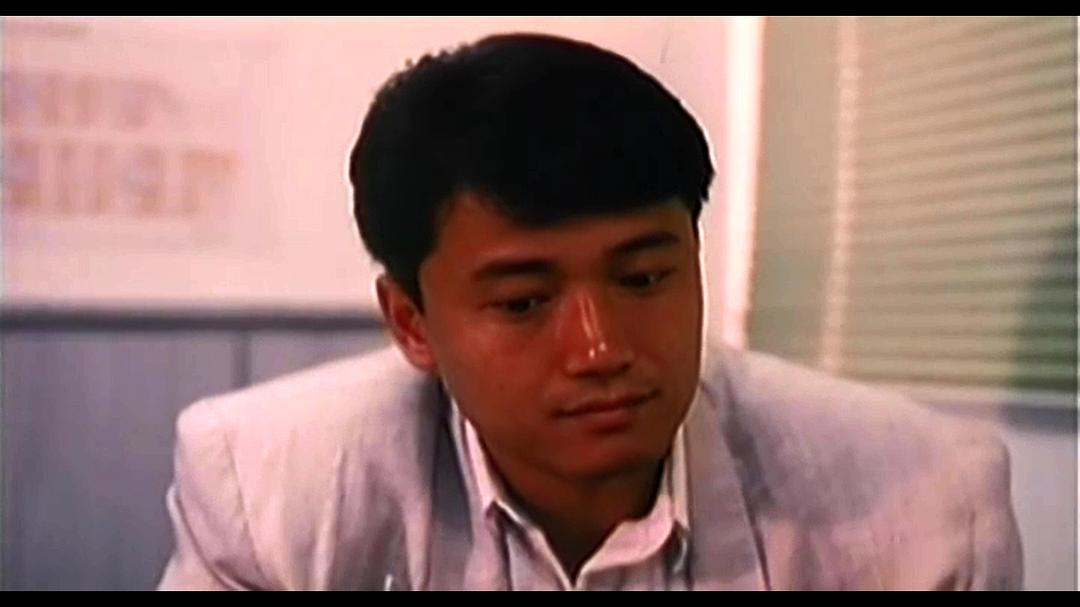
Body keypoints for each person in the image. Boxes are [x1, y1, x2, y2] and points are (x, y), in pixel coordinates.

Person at [157, 32, 1022, 590]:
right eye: (524, 301)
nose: (601, 348)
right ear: (412, 323)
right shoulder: (274, 494)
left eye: (643, 278)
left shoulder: (925, 508)